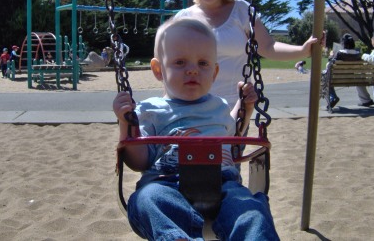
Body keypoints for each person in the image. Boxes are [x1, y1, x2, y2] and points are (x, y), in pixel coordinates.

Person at [113, 17, 279, 240]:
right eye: (180, 62)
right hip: (167, 184)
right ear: (158, 69)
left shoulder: (219, 106)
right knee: (147, 198)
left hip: (223, 187)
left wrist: (245, 107)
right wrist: (126, 123)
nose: (192, 70)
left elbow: (232, 137)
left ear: (215, 72)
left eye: (203, 63)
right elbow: (139, 162)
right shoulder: (150, 109)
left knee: (251, 209)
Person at [175, 0, 320, 108]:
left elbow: (267, 47)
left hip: (234, 108)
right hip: (191, 108)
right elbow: (172, 66)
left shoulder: (241, 11)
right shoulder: (183, 19)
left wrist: (303, 50)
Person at [325, 33, 361, 109]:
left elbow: (330, 62)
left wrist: (331, 55)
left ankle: (333, 97)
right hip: (353, 78)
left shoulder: (340, 53)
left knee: (326, 78)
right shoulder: (358, 54)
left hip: (337, 79)